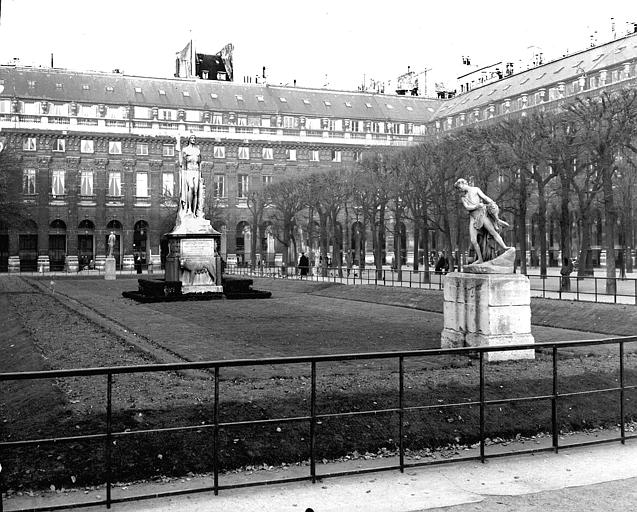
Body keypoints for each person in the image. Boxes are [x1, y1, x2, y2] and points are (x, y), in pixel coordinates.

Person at [454, 178, 510, 264]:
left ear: (463, 183)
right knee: (473, 240)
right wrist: (476, 206)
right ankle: (480, 259)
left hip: (481, 215)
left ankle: (504, 247)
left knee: (492, 231)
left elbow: (485, 197)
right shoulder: (463, 197)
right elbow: (467, 207)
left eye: (459, 187)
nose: (459, 189)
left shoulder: (476, 189)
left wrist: (492, 203)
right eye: (458, 189)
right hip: (473, 219)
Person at [179, 134, 203, 216]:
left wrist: (200, 174)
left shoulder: (197, 150)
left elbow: (200, 163)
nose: (193, 139)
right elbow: (182, 163)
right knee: (191, 187)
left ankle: (194, 211)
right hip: (189, 171)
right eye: (192, 138)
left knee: (196, 191)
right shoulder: (185, 149)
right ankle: (189, 208)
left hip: (196, 171)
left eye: (194, 138)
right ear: (189, 139)